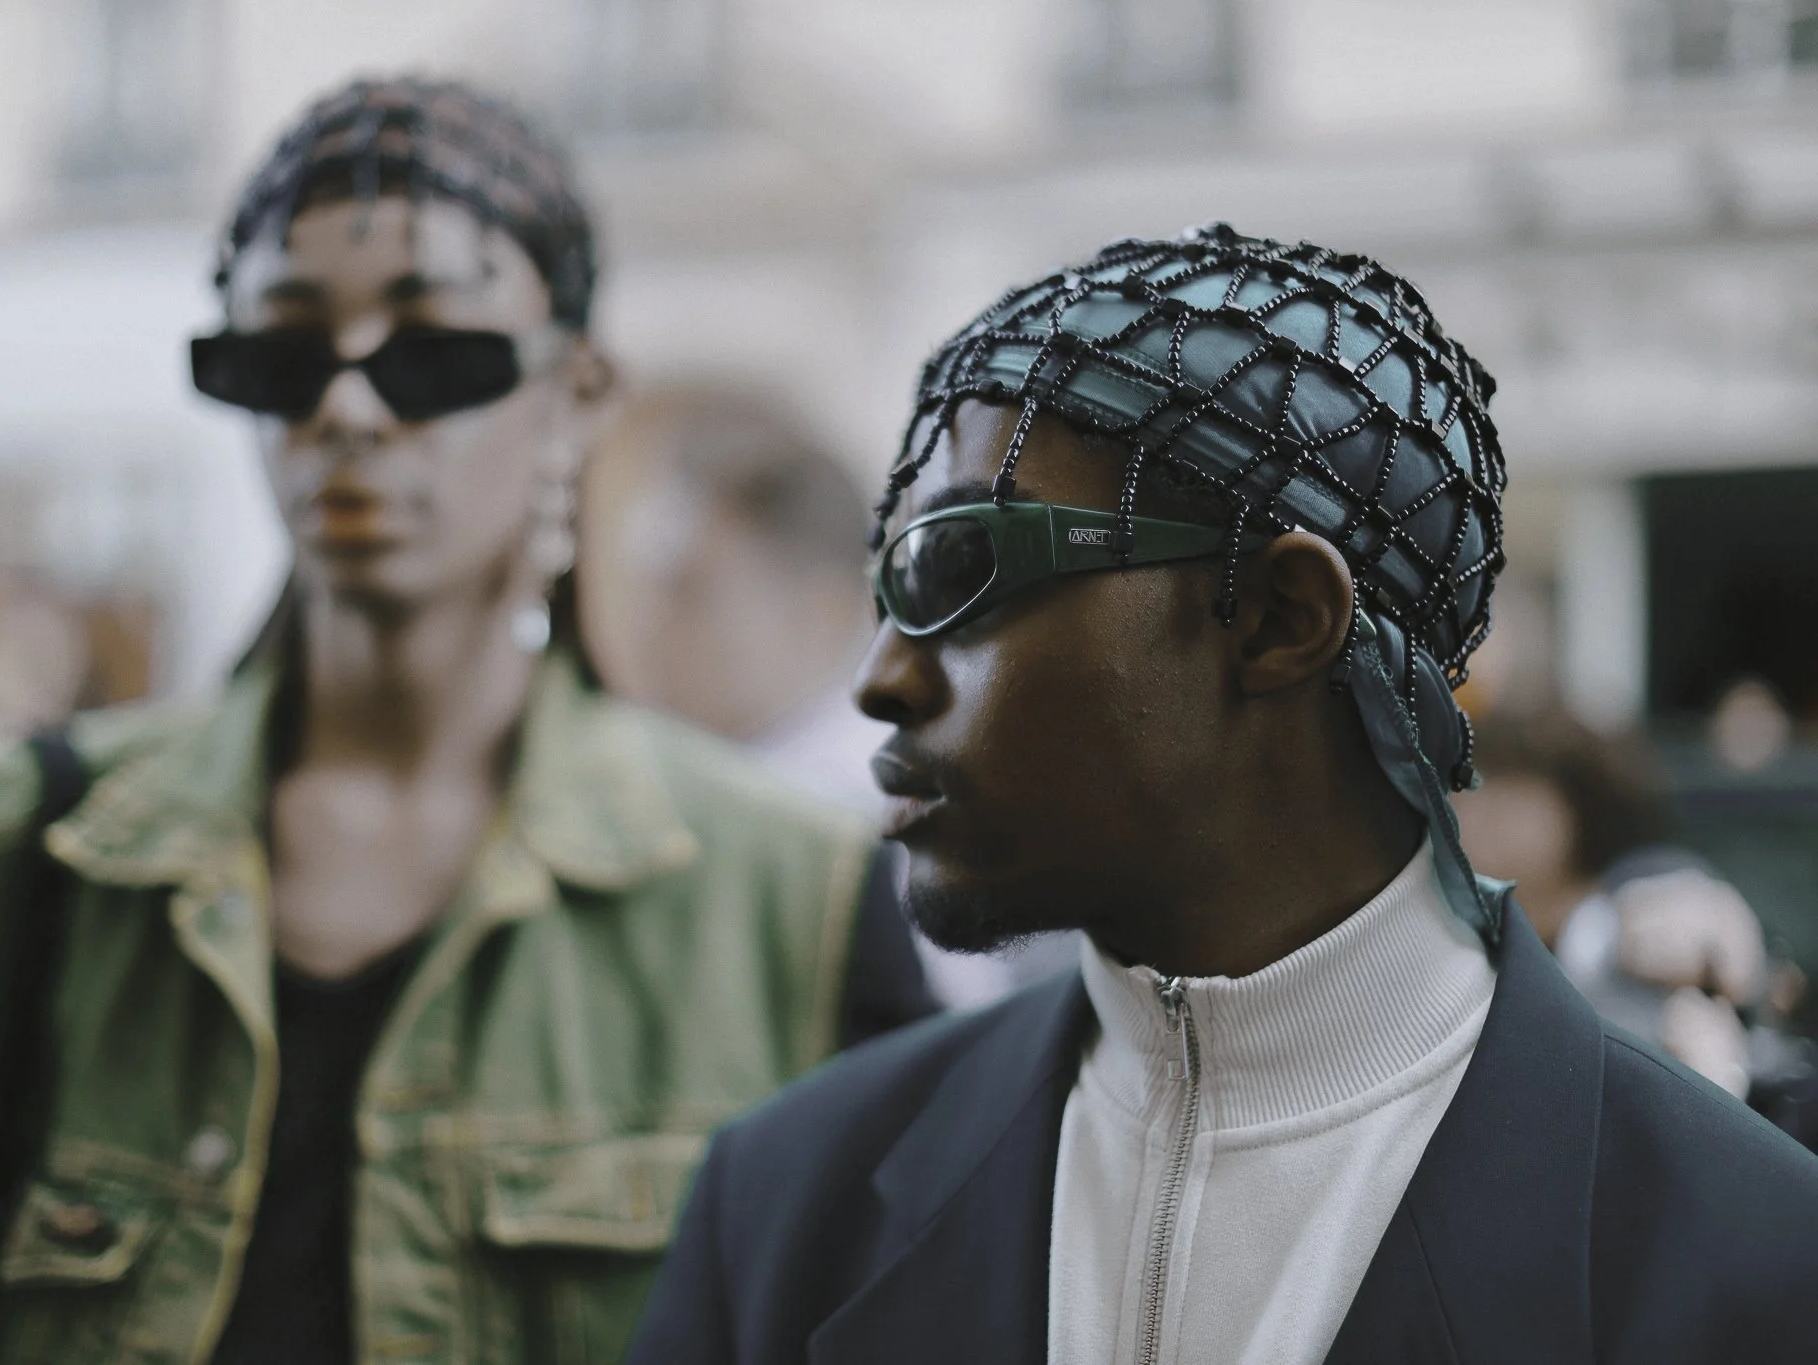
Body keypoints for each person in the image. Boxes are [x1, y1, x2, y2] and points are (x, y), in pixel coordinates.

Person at [0, 78, 931, 1365]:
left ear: (580, 393)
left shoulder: (792, 904)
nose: (349, 410)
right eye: (282, 354)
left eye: (435, 352)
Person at [626, 225, 1818, 1365]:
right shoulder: (783, 1205)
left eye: (962, 569)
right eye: (888, 588)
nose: (884, 678)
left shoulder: (1750, 1261)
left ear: (1278, 618)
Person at [576, 384, 1043, 1007]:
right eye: (653, 589)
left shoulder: (877, 810)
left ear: (821, 611)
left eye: (695, 592)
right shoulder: (693, 775)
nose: (649, 628)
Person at [1455, 707, 1773, 1098]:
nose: (1470, 813)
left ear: (1576, 810)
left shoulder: (1650, 893)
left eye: (1501, 793)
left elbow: (1729, 955)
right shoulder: (1475, 932)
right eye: (1467, 789)